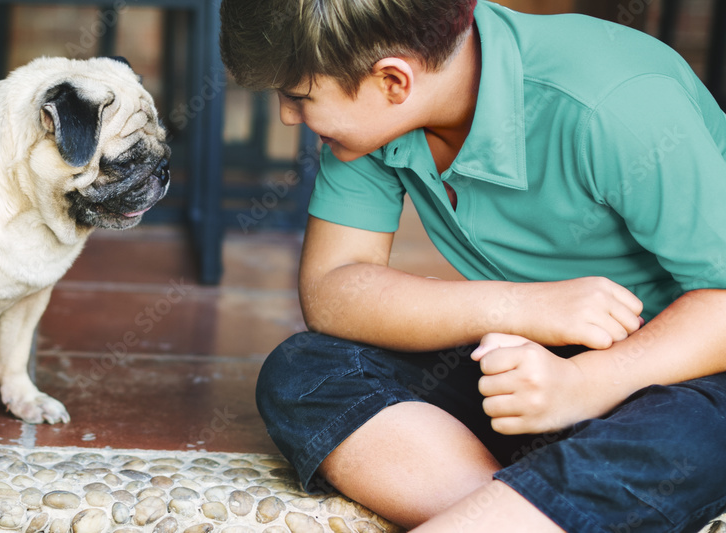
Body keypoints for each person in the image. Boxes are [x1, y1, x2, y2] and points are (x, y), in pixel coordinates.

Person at [219, 0, 726, 531]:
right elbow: (332, 287)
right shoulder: (369, 126)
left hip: (677, 366)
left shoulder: (616, 101)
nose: (287, 115)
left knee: (692, 433)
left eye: (299, 95)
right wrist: (523, 307)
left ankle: (539, 500)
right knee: (304, 372)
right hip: (532, 374)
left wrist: (581, 385)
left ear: (394, 81)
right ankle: (538, 505)